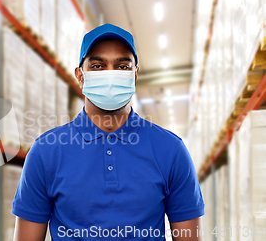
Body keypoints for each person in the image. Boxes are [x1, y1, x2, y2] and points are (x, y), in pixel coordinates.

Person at [11, 23, 204, 240]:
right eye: (97, 66)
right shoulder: (45, 152)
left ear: (135, 74)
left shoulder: (171, 150)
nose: (110, 75)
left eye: (122, 66)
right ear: (80, 75)